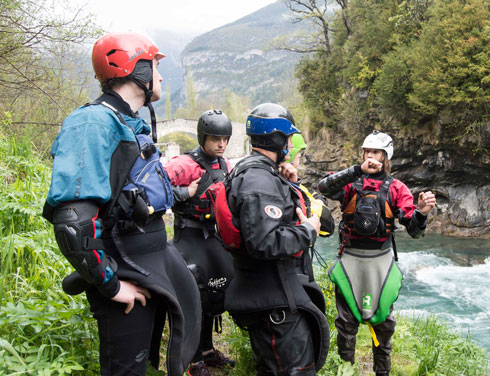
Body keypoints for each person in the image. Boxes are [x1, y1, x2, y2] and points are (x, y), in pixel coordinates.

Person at [42, 31, 201, 376]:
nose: (160, 77)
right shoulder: (92, 123)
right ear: (138, 70)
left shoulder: (129, 124)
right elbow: (73, 221)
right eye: (155, 68)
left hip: (149, 263)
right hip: (126, 269)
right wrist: (111, 285)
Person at [216, 103, 330, 375]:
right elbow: (264, 242)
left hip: (271, 296)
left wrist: (289, 183)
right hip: (274, 304)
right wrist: (309, 230)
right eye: (289, 139)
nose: (290, 145)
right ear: (278, 138)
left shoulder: (259, 173)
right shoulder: (259, 181)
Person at [318, 130, 437, 376]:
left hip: (381, 262)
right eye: (367, 152)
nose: (371, 156)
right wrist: (356, 170)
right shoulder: (350, 182)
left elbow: (414, 231)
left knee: (384, 323)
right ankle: (346, 369)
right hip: (350, 259)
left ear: (386, 157)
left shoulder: (397, 188)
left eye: (376, 152)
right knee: (345, 323)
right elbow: (324, 187)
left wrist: (422, 212)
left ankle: (382, 372)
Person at [164, 109, 235, 376]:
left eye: (225, 139)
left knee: (216, 294)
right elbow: (149, 185)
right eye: (216, 138)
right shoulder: (183, 164)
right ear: (203, 137)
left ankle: (206, 350)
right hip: (189, 238)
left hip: (212, 237)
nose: (221, 144)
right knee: (194, 297)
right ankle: (193, 360)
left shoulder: (225, 165)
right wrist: (185, 192)